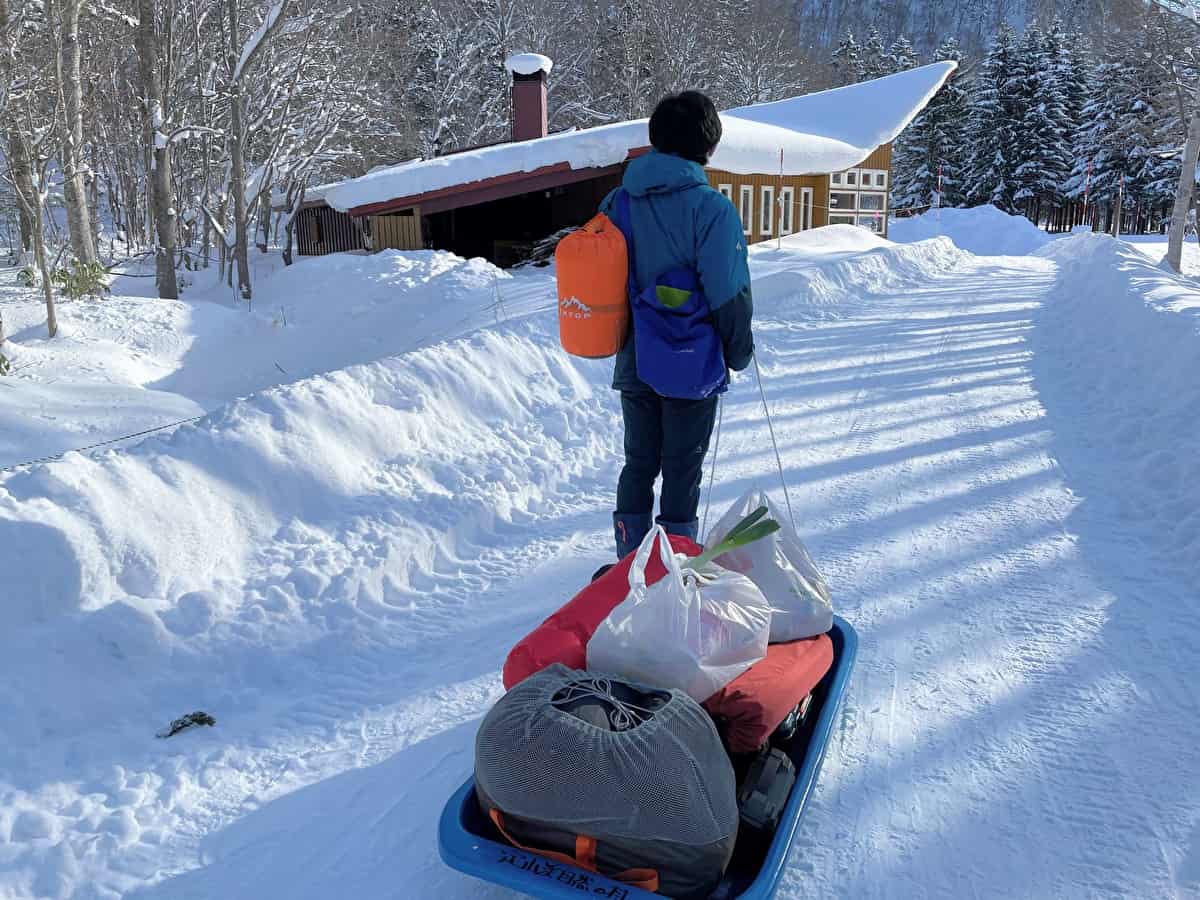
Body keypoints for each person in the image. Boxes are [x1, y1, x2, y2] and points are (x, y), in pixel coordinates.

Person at [601, 90, 755, 559]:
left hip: (634, 356)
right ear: (708, 145)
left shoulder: (616, 202)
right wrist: (739, 351)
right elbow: (728, 292)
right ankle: (673, 566)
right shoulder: (711, 209)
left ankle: (630, 564)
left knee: (639, 462)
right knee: (682, 467)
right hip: (692, 361)